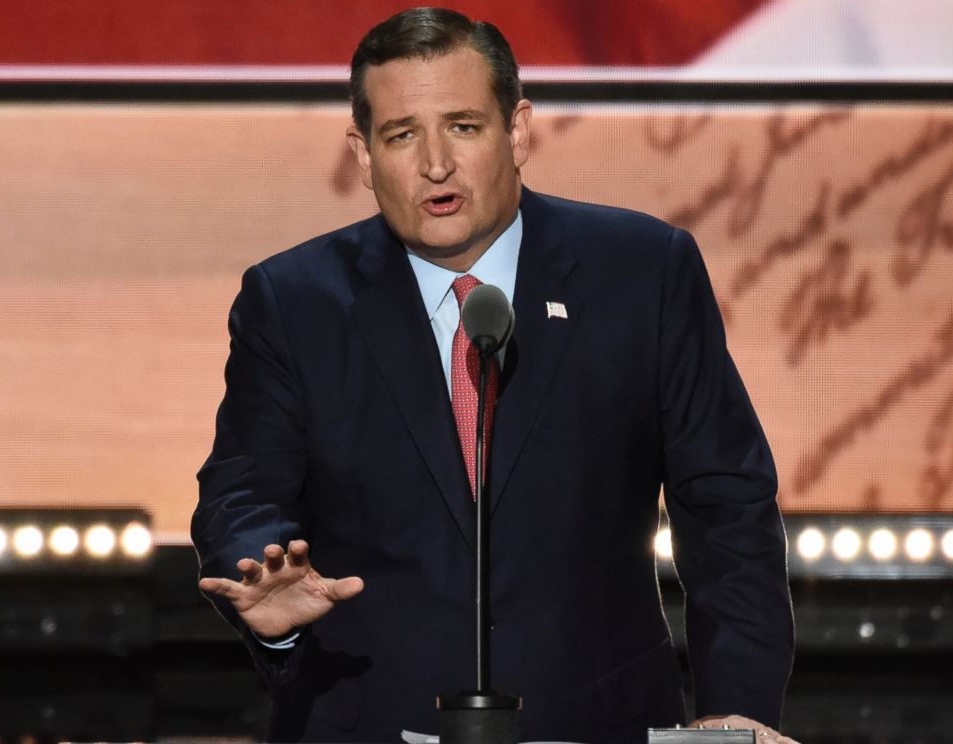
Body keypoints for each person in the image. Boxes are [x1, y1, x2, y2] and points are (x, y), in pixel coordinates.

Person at [192, 8, 796, 743]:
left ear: (517, 131)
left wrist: (738, 707)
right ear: (363, 152)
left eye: (464, 126)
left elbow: (727, 507)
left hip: (599, 721)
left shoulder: (641, 272)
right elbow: (243, 492)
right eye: (402, 134)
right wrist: (264, 578)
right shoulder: (293, 300)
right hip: (367, 720)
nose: (435, 164)